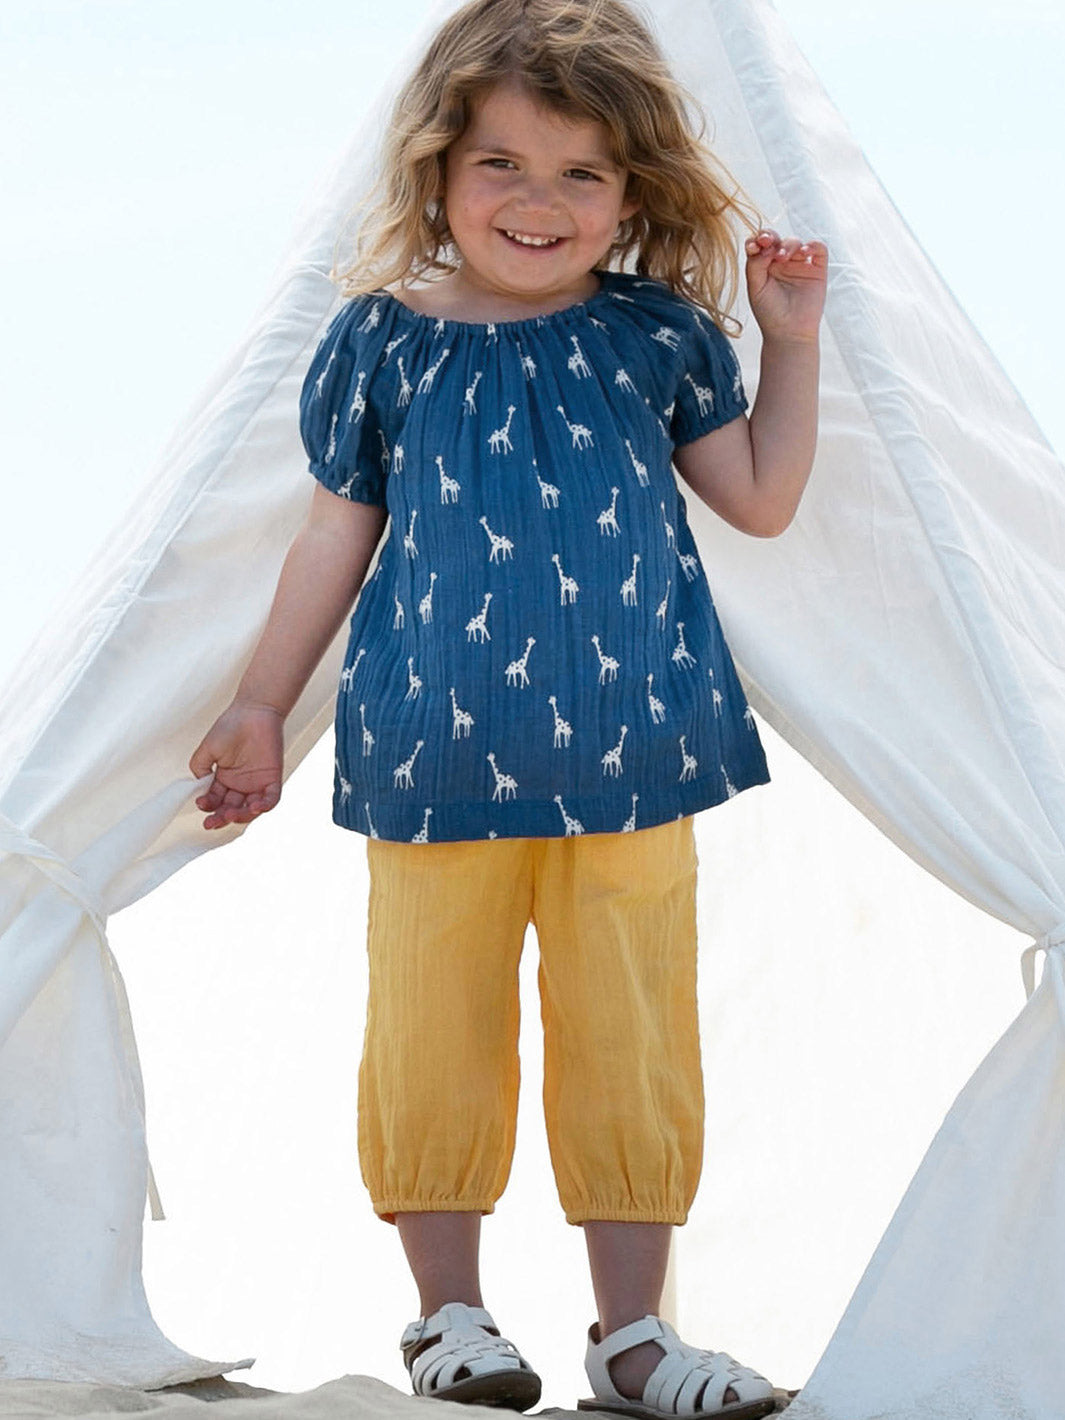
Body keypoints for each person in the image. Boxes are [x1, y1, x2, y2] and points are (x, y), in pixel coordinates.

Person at [189, 0, 825, 1414]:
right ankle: (449, 1319)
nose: (537, 202)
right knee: (433, 1034)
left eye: (580, 173)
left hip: (637, 761)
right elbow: (329, 540)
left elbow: (762, 504)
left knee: (633, 1041)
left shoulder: (656, 339)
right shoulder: (383, 344)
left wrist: (789, 338)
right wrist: (254, 706)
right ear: (435, 170)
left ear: (629, 196)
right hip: (431, 761)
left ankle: (633, 1340)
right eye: (502, 165)